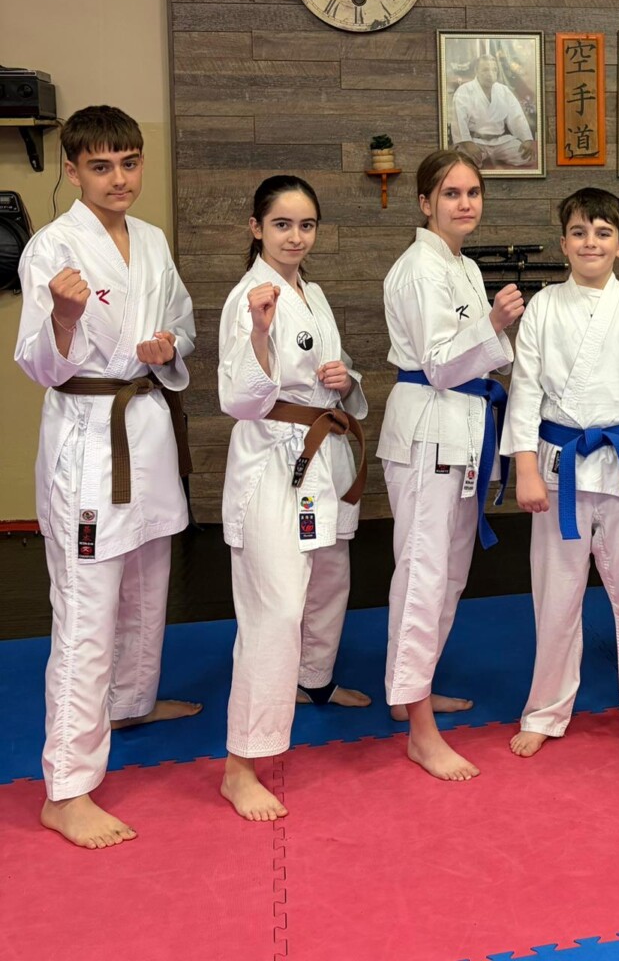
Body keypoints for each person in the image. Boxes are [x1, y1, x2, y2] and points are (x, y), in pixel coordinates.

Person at [14, 105, 200, 849]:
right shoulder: (51, 248)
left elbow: (183, 319)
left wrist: (168, 345)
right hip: (91, 442)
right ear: (71, 170)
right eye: (100, 166)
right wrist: (63, 319)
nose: (118, 178)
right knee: (86, 612)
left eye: (128, 162)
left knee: (148, 585)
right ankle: (66, 788)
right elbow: (37, 363)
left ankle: (128, 702)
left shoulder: (151, 240)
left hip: (145, 427)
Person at [503, 188, 619, 762]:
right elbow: (525, 391)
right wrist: (525, 469)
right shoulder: (543, 308)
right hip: (559, 467)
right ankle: (544, 711)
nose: (590, 243)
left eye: (603, 233)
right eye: (579, 232)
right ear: (563, 243)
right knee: (554, 598)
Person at [218, 176, 371, 821]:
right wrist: (258, 335)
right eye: (282, 224)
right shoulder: (248, 298)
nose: (295, 237)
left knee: (329, 578)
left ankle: (315, 681)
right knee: (275, 607)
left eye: (306, 225)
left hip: (321, 454)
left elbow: (334, 379)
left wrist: (345, 380)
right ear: (256, 228)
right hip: (272, 462)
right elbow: (237, 398)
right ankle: (240, 765)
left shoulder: (314, 292)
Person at [378, 149, 524, 780]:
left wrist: (498, 333)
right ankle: (419, 729)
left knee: (449, 574)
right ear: (425, 203)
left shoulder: (461, 265)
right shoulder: (419, 269)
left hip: (461, 431)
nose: (465, 203)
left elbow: (477, 354)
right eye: (451, 193)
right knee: (423, 574)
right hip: (428, 433)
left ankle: (411, 690)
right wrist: (493, 324)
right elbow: (439, 364)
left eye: (473, 192)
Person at [451, 54, 537, 168]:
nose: (490, 74)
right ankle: (476, 154)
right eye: (485, 70)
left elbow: (517, 117)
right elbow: (458, 120)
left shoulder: (503, 90)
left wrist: (526, 139)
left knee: (528, 158)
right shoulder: (464, 90)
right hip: (475, 141)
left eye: (494, 69)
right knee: (465, 162)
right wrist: (467, 143)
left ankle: (494, 156)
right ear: (476, 71)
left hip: (501, 142)